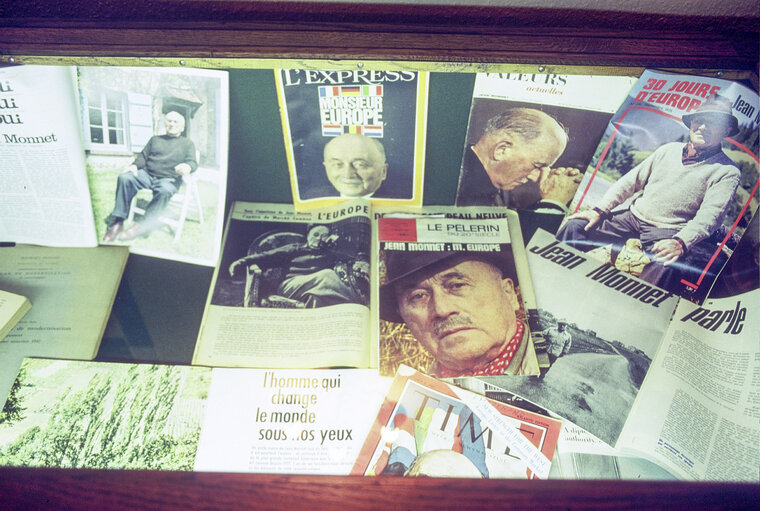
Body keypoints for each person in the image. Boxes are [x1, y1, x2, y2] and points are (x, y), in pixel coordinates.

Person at [557, 94, 741, 288]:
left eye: (713, 123)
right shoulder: (668, 150)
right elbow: (629, 182)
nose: (702, 127)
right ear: (692, 123)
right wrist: (598, 210)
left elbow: (710, 217)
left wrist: (680, 242)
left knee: (666, 266)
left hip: (668, 229)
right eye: (699, 120)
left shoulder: (727, 171)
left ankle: (630, 311)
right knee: (576, 226)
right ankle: (552, 276)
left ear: (726, 130)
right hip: (632, 216)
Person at [379, 251, 539, 377]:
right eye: (418, 296)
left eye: (456, 285)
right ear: (403, 316)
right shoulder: (408, 401)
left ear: (508, 293)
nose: (442, 309)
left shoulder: (559, 367)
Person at [456, 108, 582, 213]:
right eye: (537, 166)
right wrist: (552, 204)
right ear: (502, 149)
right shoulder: (457, 188)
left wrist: (555, 194)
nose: (535, 178)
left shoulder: (500, 188)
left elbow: (513, 225)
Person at [103, 110, 198, 241]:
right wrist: (134, 166)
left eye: (176, 122)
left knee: (165, 190)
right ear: (165, 124)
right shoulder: (155, 140)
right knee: (125, 177)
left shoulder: (187, 144)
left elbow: (192, 162)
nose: (172, 124)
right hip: (147, 175)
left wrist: (187, 167)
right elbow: (143, 157)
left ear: (182, 127)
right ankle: (118, 221)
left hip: (168, 178)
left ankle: (142, 225)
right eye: (169, 121)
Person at [229, 225, 368, 308]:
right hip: (290, 286)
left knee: (316, 299)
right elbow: (265, 256)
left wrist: (340, 242)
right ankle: (354, 305)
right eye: (316, 234)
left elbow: (350, 258)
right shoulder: (294, 249)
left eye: (323, 235)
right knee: (327, 274)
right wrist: (240, 262)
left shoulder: (328, 253)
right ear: (308, 236)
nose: (319, 238)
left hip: (316, 289)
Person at [322, 133, 388, 198]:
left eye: (360, 165)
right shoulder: (314, 200)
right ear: (326, 168)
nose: (347, 175)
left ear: (383, 171)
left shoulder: (397, 205)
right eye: (338, 164)